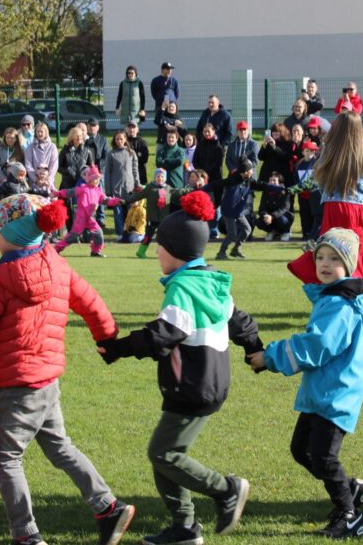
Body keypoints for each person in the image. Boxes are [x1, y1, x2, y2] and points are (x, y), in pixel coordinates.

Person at [0, 194, 134, 545]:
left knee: (7, 458)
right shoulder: (56, 263)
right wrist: (107, 339)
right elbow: (92, 303)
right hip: (47, 380)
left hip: (16, 384)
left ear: (14, 234)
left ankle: (26, 535)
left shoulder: (2, 276)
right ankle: (108, 507)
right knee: (60, 447)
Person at [97, 191, 263, 545]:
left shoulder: (183, 288)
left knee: (163, 453)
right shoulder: (212, 282)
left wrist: (117, 348)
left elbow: (165, 334)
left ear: (175, 250)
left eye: (160, 246)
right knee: (167, 454)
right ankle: (184, 528)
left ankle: (225, 490)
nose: (156, 251)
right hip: (210, 382)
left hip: (191, 385)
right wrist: (254, 350)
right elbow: (241, 322)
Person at [248, 228, 363, 538]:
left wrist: (270, 357)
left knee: (324, 456)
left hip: (336, 395)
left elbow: (318, 345)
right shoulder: (336, 299)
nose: (325, 264)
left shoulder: (340, 304)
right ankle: (350, 489)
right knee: (302, 450)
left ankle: (349, 515)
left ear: (349, 265)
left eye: (334, 259)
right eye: (320, 257)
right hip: (320, 393)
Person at [288, 112, 363, 284]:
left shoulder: (328, 154)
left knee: (331, 253)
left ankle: (331, 295)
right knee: (356, 257)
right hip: (359, 211)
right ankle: (352, 296)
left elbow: (315, 182)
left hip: (332, 208)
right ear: (359, 130)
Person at [54, 165, 119, 257]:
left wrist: (117, 201)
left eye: (98, 179)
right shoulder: (82, 188)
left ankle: (95, 251)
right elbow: (69, 192)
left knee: (99, 233)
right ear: (89, 179)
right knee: (73, 236)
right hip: (80, 217)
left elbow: (105, 200)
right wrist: (57, 193)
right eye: (95, 179)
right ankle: (56, 249)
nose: (97, 181)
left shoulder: (98, 191)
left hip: (90, 218)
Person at [105, 131, 139, 238]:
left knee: (130, 212)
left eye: (121, 139)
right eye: (117, 139)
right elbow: (107, 173)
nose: (119, 141)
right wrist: (108, 190)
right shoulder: (111, 154)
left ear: (125, 139)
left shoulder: (131, 153)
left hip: (130, 188)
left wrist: (137, 185)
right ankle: (119, 234)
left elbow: (135, 170)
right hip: (116, 189)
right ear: (114, 141)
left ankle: (130, 233)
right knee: (118, 213)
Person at [254, 172, 293, 240]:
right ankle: (272, 231)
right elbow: (262, 207)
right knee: (259, 222)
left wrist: (272, 216)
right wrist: (266, 215)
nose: (272, 182)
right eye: (270, 180)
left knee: (282, 221)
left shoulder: (285, 191)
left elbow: (284, 208)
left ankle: (286, 232)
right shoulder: (266, 191)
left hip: (283, 215)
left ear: (279, 183)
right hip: (269, 215)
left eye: (274, 180)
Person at [294, 141, 319, 241]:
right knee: (304, 214)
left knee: (314, 215)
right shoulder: (299, 164)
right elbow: (296, 178)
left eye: (312, 151)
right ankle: (305, 233)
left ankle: (314, 235)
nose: (310, 153)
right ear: (303, 152)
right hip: (302, 194)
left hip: (314, 194)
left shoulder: (317, 163)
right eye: (307, 151)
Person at [24, 121, 58, 189]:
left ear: (46, 132)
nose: (39, 133)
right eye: (38, 131)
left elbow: (54, 165)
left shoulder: (52, 147)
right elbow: (28, 165)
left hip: (48, 183)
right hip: (34, 183)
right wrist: (36, 179)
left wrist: (48, 180)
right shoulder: (30, 147)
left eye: (41, 131)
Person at [151, 62, 180, 130]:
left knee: (174, 122)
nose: (169, 70)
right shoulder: (155, 80)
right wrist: (160, 100)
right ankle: (161, 139)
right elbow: (154, 93)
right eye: (167, 69)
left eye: (170, 69)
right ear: (162, 70)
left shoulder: (174, 81)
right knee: (161, 123)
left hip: (172, 106)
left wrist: (172, 101)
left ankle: (175, 138)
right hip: (160, 106)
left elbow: (177, 93)